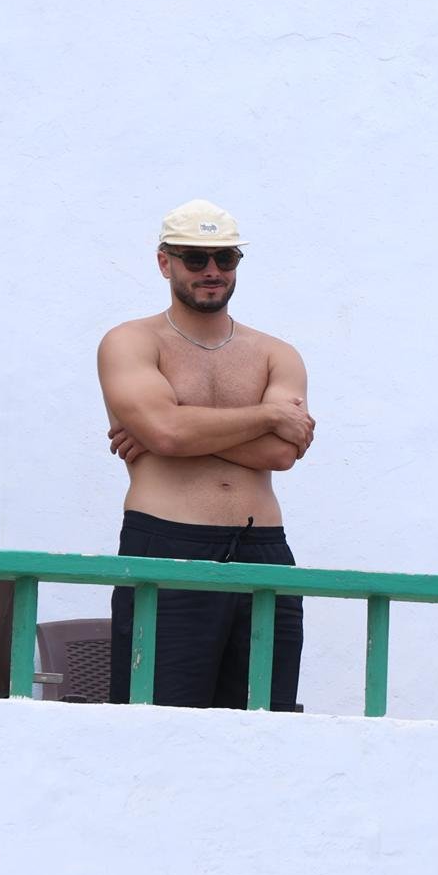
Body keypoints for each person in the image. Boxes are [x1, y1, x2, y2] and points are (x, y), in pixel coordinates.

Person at [97, 200, 315, 709]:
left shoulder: (274, 352)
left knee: (265, 717)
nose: (212, 271)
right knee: (157, 716)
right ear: (164, 262)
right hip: (167, 539)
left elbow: (283, 453)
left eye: (225, 258)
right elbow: (169, 432)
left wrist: (176, 424)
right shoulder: (130, 342)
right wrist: (263, 415)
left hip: (264, 550)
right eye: (195, 259)